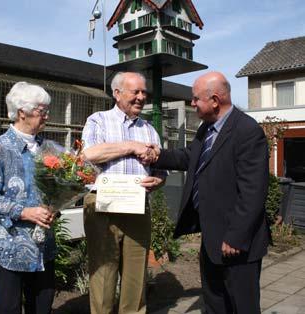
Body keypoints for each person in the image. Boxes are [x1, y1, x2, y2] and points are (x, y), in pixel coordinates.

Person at [152, 72, 271, 314]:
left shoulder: (247, 131)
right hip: (212, 238)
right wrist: (157, 155)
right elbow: (189, 157)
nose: (192, 103)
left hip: (237, 244)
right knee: (215, 304)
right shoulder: (207, 128)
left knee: (242, 306)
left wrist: (236, 237)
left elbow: (253, 191)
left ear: (215, 100)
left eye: (196, 99)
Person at [81, 71, 165, 314]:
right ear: (117, 94)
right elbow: (90, 155)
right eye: (135, 92)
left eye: (144, 92)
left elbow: (161, 169)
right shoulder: (98, 120)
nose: (141, 97)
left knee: (136, 276)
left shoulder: (149, 129)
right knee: (103, 274)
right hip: (102, 206)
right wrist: (130, 146)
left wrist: (158, 179)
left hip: (137, 206)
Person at [0, 81, 56, 314]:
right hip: (9, 246)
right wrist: (24, 212)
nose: (47, 117)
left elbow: (56, 189)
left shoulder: (47, 147)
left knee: (42, 306)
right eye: (42, 111)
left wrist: (56, 206)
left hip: (43, 245)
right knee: (9, 308)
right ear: (23, 112)